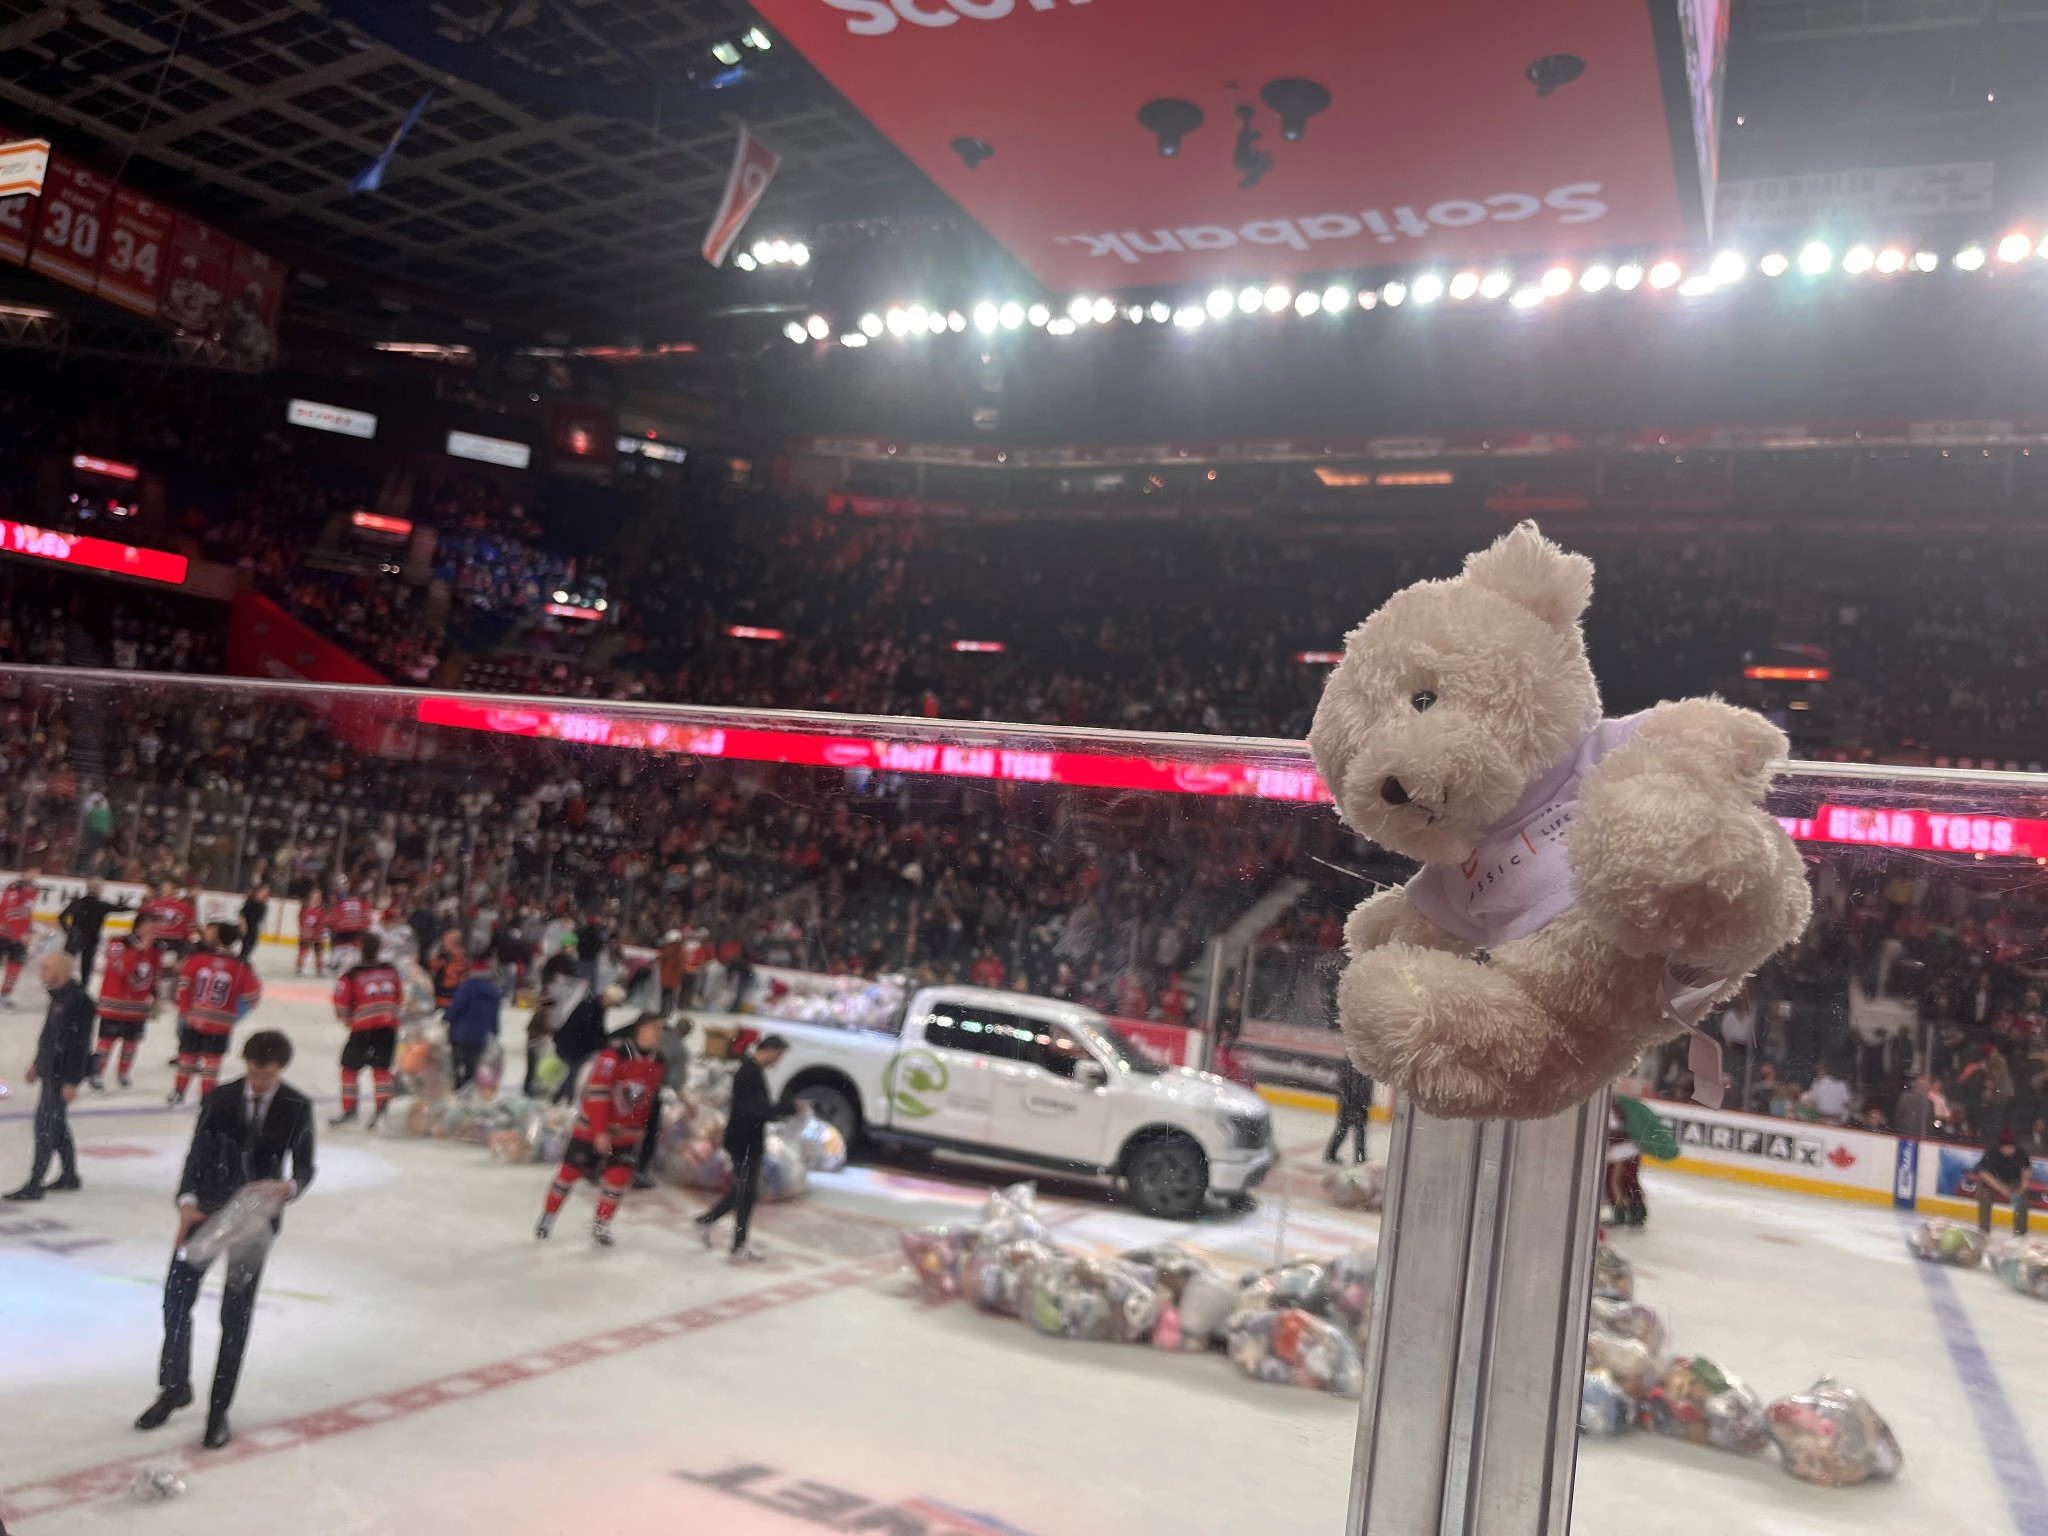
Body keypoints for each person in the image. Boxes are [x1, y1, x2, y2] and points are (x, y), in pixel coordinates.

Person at [137, 1029, 315, 1450]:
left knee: (234, 1318)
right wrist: (186, 1201)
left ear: (280, 1069)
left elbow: (305, 1168)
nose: (257, 1079)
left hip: (253, 1225)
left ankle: (219, 1411)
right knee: (175, 1300)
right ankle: (175, 1387)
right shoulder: (220, 1098)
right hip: (206, 1211)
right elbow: (197, 1152)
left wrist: (286, 1188)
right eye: (253, 1069)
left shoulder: (295, 1105)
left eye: (266, 1073)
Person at [534, 1011, 667, 1246]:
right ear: (642, 1029)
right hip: (591, 1130)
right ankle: (549, 1216)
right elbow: (597, 1094)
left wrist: (641, 1130)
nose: (660, 1033)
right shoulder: (613, 1055)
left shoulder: (659, 1062)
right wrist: (599, 1131)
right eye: (656, 1028)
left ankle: (601, 1225)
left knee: (618, 1178)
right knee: (569, 1174)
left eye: (661, 1029)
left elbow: (648, 1100)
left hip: (626, 1135)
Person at [3, 952, 95, 1201]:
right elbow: (50, 1035)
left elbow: (79, 1044)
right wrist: (37, 1063)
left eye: (47, 968)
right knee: (55, 1124)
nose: (42, 972)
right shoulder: (59, 997)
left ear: (62, 971)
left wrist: (72, 1080)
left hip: (62, 1073)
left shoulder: (78, 1001)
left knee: (45, 1127)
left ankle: (35, 1182)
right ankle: (69, 1175)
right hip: (51, 1070)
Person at [694, 1033, 788, 1262]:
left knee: (747, 1192)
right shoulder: (747, 1072)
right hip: (742, 1141)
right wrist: (784, 1110)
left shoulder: (754, 1070)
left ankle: (731, 1237)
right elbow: (754, 1109)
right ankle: (718, 1228)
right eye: (779, 1056)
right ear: (772, 1051)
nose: (778, 1061)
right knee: (745, 1191)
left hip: (750, 1141)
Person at [169, 925, 263, 1105]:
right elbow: (253, 996)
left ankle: (178, 1092)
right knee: (212, 1064)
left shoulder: (198, 959)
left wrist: (185, 1010)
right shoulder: (241, 966)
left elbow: (183, 986)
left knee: (187, 1058)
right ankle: (207, 1098)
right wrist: (234, 1014)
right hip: (221, 1024)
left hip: (194, 1019)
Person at [331, 932, 404, 1127]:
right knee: (382, 1069)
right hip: (388, 1026)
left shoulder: (352, 974)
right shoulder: (391, 970)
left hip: (363, 1027)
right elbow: (399, 996)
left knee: (349, 1068)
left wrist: (347, 1019)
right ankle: (381, 1110)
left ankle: (349, 1110)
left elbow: (340, 1001)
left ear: (360, 948)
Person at [90, 910, 163, 1090]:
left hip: (137, 1006)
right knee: (106, 1041)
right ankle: (97, 1073)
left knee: (131, 1042)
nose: (154, 930)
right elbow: (118, 968)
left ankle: (123, 1072)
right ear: (140, 925)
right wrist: (137, 951)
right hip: (113, 1003)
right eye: (151, 926)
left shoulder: (155, 950)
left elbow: (154, 975)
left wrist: (156, 996)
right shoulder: (118, 943)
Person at [443, 955, 501, 1091]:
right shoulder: (493, 991)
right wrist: (495, 1030)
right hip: (479, 1036)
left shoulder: (467, 988)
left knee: (456, 1064)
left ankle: (457, 1088)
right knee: (472, 1066)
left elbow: (456, 1007)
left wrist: (447, 1017)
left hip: (460, 1033)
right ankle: (467, 1090)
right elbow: (495, 1015)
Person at [59, 877, 128, 988]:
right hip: (90, 939)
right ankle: (83, 989)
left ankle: (61, 984)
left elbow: (61, 917)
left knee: (67, 963)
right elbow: (121, 909)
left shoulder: (78, 903)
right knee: (86, 967)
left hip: (75, 938)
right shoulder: (101, 905)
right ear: (99, 889)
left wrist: (69, 931)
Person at [1975, 1127, 2033, 1236]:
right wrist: (2001, 1188)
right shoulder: (1991, 1153)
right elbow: (1983, 1173)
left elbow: (2027, 1169)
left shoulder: (2021, 1153)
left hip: (2014, 1182)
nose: (2009, 1150)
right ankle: (1983, 1231)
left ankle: (2020, 1232)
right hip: (1994, 1184)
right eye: (2007, 1148)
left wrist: (2023, 1185)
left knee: (2023, 1200)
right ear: (2001, 1147)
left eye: (2012, 1147)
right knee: (1984, 1195)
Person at [0, 863, 40, 1007]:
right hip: (5, 934)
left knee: (15, 966)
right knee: (14, 964)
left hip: (16, 934)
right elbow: (10, 911)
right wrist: (20, 933)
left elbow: (25, 912)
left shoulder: (32, 888)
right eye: (35, 871)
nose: (37, 875)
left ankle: (5, 994)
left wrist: (29, 927)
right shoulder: (15, 888)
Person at [1325, 1056, 1373, 1164]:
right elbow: (1353, 1084)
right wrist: (1361, 1101)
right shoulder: (1355, 1061)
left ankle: (1331, 1154)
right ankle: (1359, 1159)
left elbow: (1363, 1085)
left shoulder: (1362, 1062)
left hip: (1353, 1101)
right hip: (1352, 1102)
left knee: (1346, 1130)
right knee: (1353, 1131)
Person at [1894, 1074, 1937, 1139]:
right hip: (1920, 1139)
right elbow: (1929, 1126)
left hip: (1902, 1135)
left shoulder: (1904, 1096)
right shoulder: (1928, 1104)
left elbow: (1897, 1118)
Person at [296, 893, 327, 976]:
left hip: (317, 935)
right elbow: (300, 918)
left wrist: (316, 931)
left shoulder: (322, 910)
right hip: (306, 934)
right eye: (314, 898)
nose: (316, 900)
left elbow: (322, 922)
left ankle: (319, 968)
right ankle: (300, 967)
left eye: (318, 898)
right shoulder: (305, 908)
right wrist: (304, 929)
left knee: (319, 953)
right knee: (302, 951)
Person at [237, 884, 269, 963]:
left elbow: (261, 918)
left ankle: (242, 961)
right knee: (246, 948)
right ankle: (241, 962)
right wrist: (243, 925)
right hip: (248, 928)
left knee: (250, 948)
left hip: (254, 928)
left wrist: (263, 925)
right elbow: (242, 914)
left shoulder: (263, 904)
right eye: (264, 891)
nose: (266, 893)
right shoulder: (251, 902)